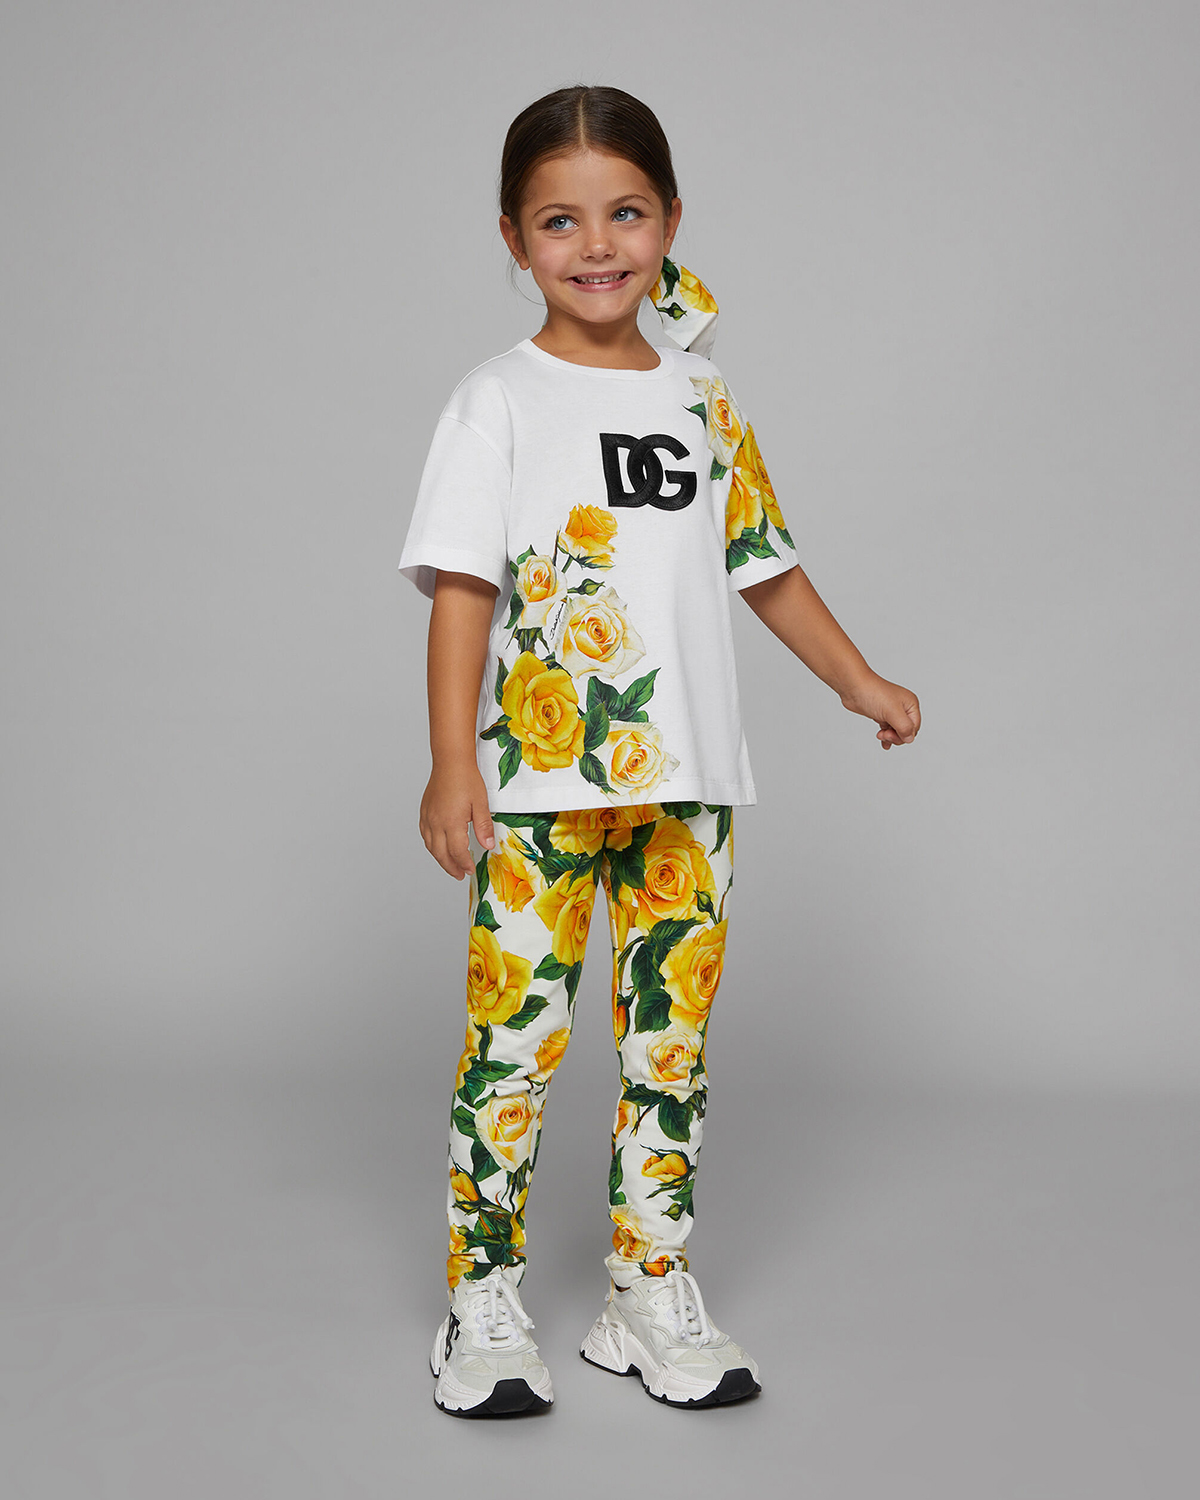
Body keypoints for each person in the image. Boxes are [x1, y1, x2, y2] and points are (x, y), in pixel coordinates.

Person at [397, 84, 920, 1417]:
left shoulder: (703, 396)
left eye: (625, 213)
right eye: (559, 221)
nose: (597, 245)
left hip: (691, 788)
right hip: (536, 792)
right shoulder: (496, 400)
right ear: (513, 238)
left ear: (671, 221)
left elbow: (765, 564)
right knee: (515, 1046)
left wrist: (858, 679)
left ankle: (646, 1288)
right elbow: (462, 589)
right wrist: (453, 761)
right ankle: (482, 1299)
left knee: (668, 1051)